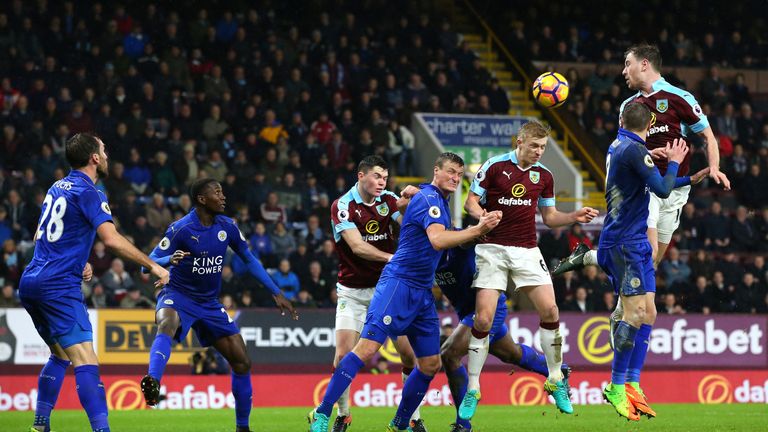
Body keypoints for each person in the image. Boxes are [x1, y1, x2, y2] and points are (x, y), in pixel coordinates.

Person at [309, 153, 500, 432]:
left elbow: (411, 208)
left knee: (430, 363)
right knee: (364, 350)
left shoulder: (428, 200)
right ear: (437, 171)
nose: (456, 179)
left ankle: (402, 422)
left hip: (421, 291)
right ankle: (325, 412)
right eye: (450, 172)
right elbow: (436, 239)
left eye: (459, 175)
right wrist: (475, 230)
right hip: (395, 283)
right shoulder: (425, 199)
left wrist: (472, 230)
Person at [19, 133, 170, 432]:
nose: (107, 154)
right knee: (86, 359)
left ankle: (40, 425)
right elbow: (111, 240)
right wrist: (154, 266)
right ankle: (102, 430)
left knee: (60, 354)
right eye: (104, 149)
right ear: (95, 158)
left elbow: (43, 235)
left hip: (31, 281)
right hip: (57, 286)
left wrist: (78, 259)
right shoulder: (91, 191)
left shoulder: (56, 186)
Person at [460, 120, 599, 419]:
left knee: (550, 311)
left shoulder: (544, 176)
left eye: (543, 147)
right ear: (519, 141)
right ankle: (473, 388)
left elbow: (549, 217)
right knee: (483, 318)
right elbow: (470, 201)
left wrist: (575, 215)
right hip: (492, 249)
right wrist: (482, 215)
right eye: (534, 146)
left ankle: (555, 380)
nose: (538, 152)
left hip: (526, 250)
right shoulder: (494, 167)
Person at [140, 178, 297, 432]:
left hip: (209, 304)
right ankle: (153, 381)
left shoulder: (228, 227)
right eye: (217, 192)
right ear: (202, 199)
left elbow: (249, 259)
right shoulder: (181, 228)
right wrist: (170, 258)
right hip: (178, 294)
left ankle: (242, 428)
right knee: (167, 323)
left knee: (242, 361)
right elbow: (146, 263)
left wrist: (275, 291)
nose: (223, 197)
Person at [598, 103, 698, 420]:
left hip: (635, 241)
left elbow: (651, 181)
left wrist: (691, 178)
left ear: (621, 120)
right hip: (624, 243)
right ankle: (615, 385)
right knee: (634, 311)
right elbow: (662, 190)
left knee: (649, 311)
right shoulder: (633, 150)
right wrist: (676, 163)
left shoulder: (625, 146)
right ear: (650, 122)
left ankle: (632, 383)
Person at [327, 155, 424, 432]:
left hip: (389, 289)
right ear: (361, 176)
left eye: (385, 177)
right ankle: (343, 415)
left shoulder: (388, 199)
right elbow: (357, 247)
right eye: (377, 176)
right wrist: (394, 258)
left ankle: (413, 418)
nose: (382, 182)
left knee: (408, 356)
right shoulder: (343, 206)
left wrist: (417, 198)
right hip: (353, 292)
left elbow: (407, 218)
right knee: (342, 356)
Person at [437, 244, 571, 432]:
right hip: (467, 312)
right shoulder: (426, 251)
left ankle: (463, 425)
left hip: (486, 310)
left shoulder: (459, 242)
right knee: (512, 354)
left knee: (449, 354)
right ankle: (557, 371)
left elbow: (475, 235)